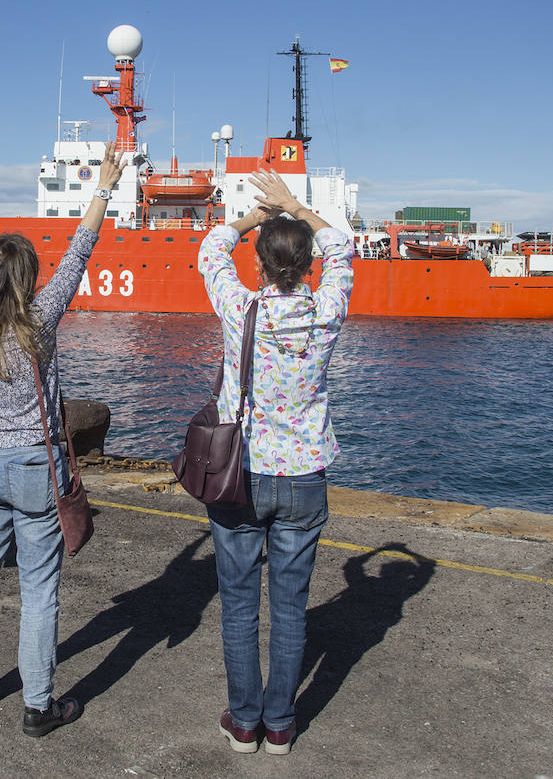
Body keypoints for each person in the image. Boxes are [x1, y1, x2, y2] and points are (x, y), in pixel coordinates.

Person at [0, 141, 122, 738]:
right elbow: (81, 251)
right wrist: (104, 188)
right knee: (39, 592)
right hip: (34, 466)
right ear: (33, 277)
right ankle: (39, 706)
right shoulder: (42, 317)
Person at [196, 167, 354, 755]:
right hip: (304, 476)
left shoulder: (241, 310)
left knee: (238, 601)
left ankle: (244, 722)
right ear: (308, 266)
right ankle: (282, 725)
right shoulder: (325, 311)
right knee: (290, 607)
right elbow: (342, 248)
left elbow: (211, 247)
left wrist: (252, 218)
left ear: (258, 265)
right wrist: (296, 206)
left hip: (242, 474)